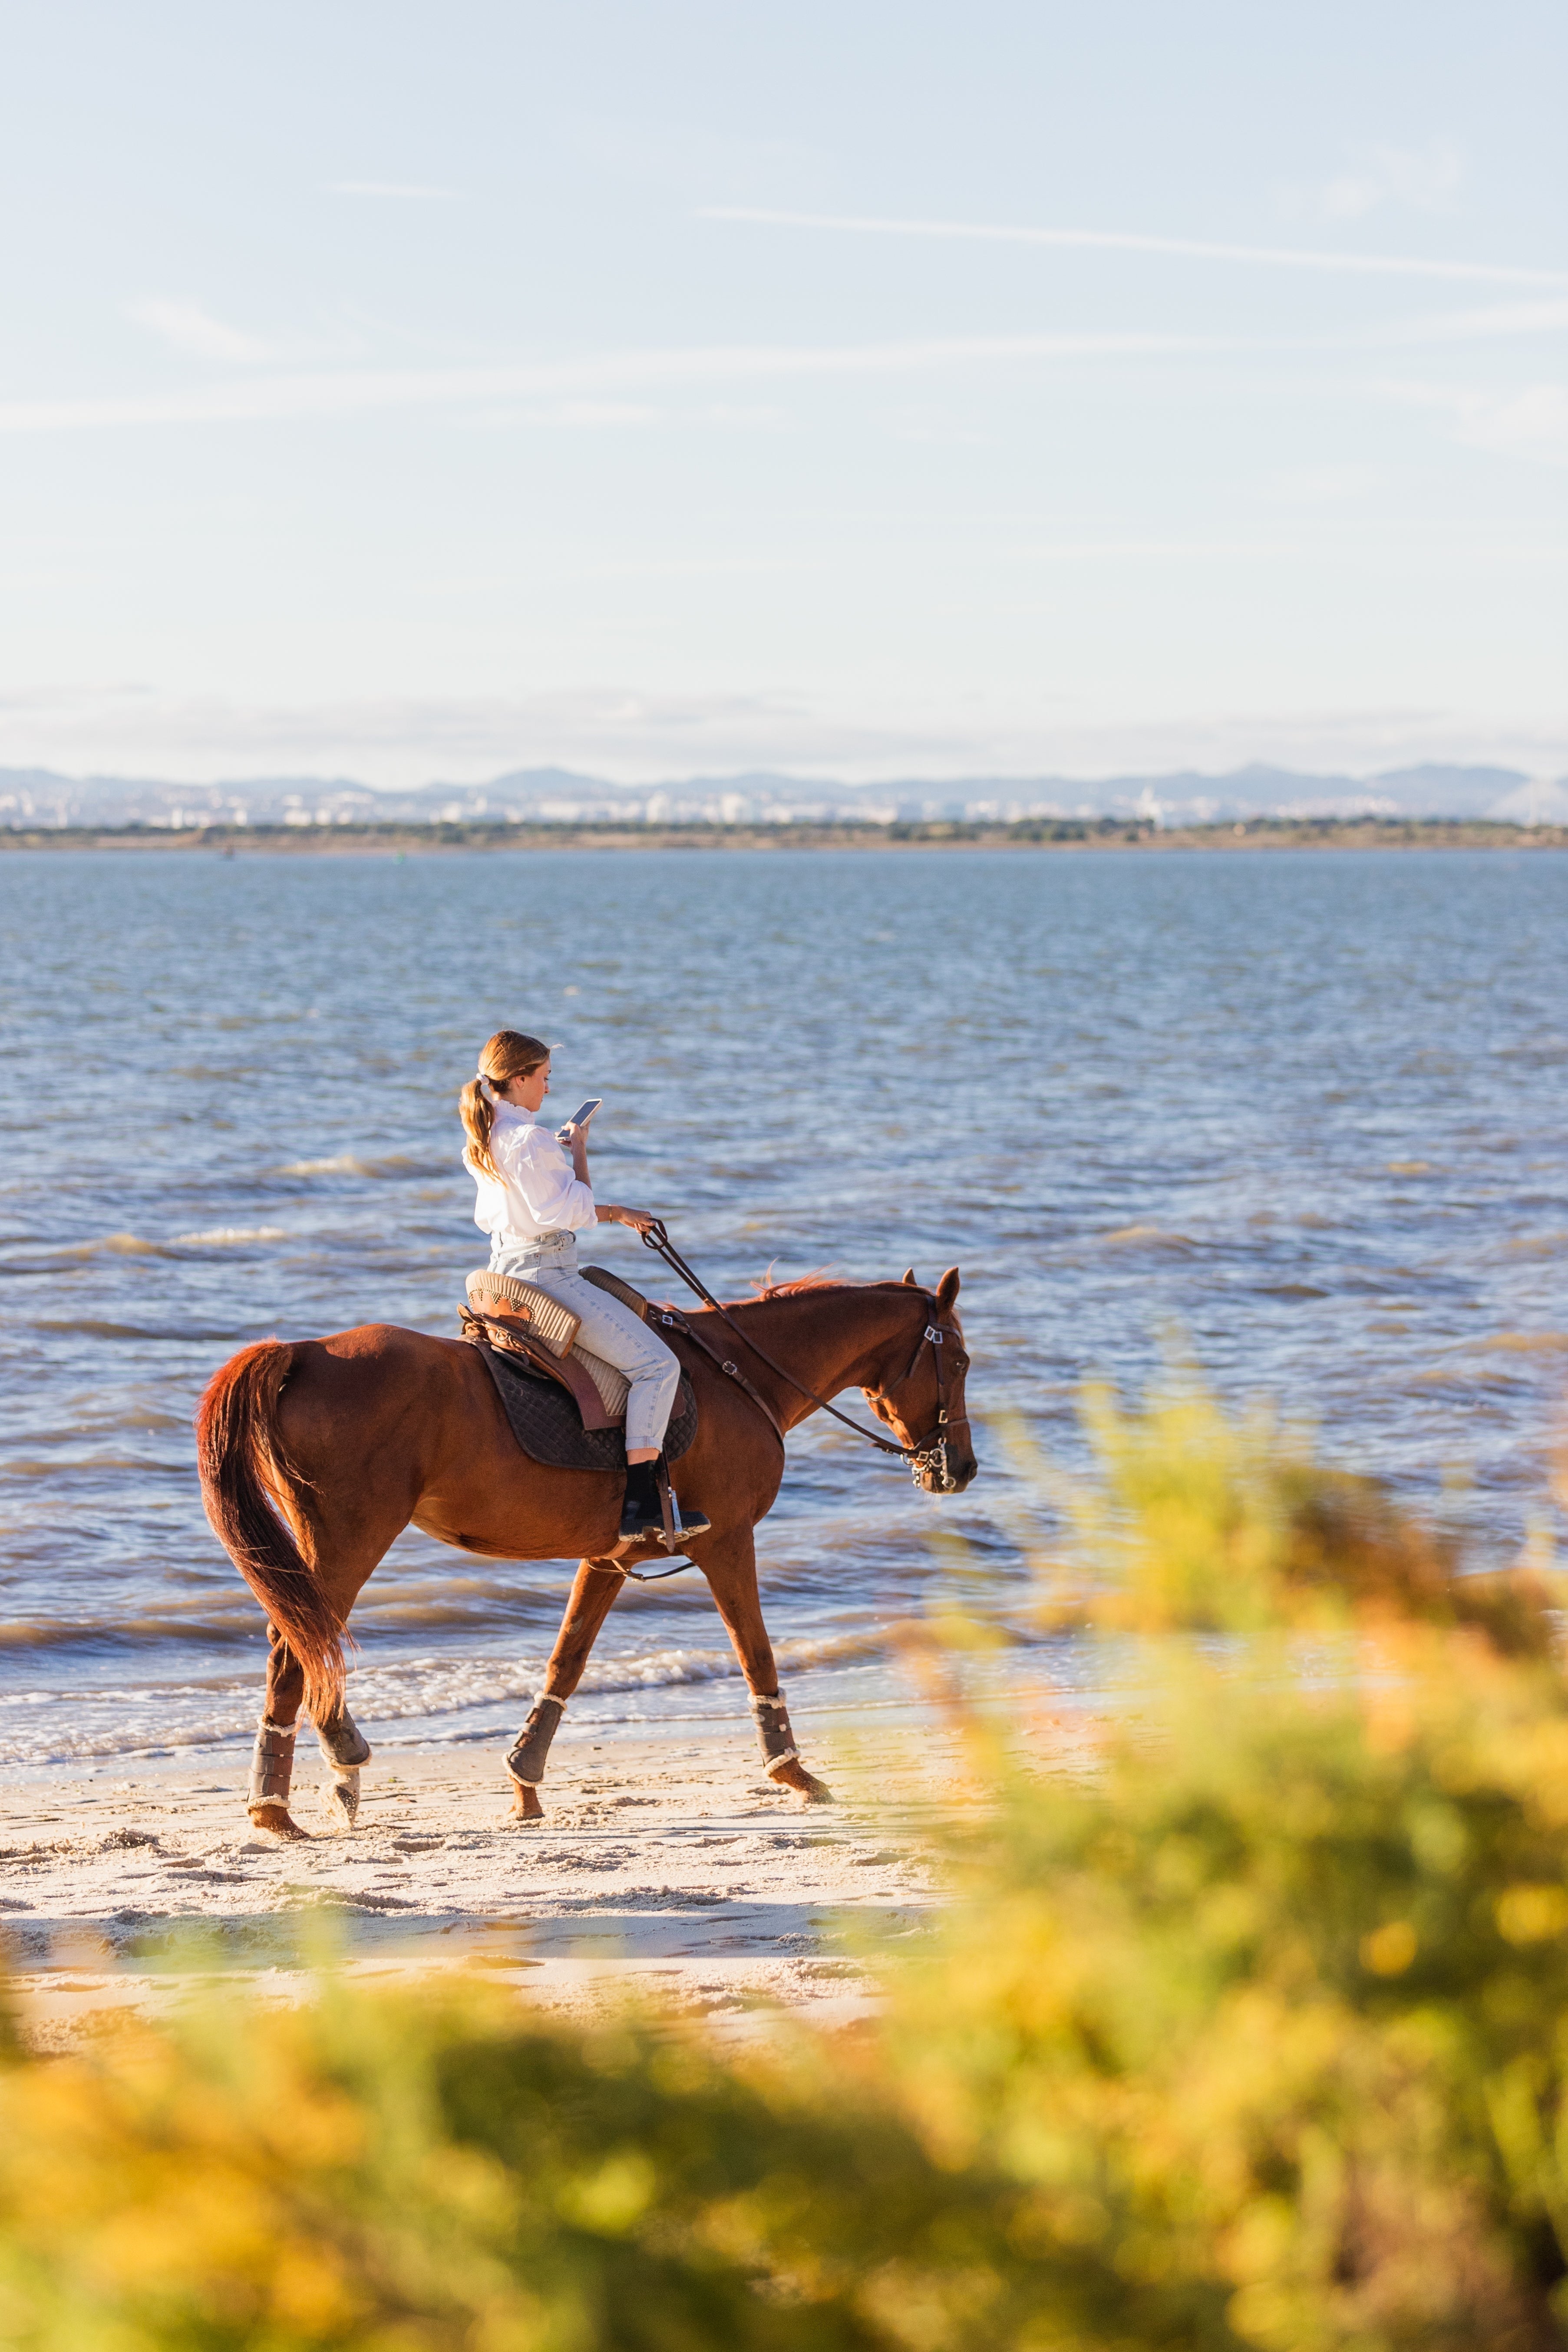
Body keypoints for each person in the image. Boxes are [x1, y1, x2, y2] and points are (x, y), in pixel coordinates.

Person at [459, 1028, 708, 1544]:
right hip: (546, 1275)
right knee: (658, 1366)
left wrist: (573, 1152)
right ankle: (639, 1505)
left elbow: (554, 1203)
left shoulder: (487, 1136)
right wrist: (619, 1211)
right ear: (521, 1078)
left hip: (503, 1267)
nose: (548, 1089)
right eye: (545, 1078)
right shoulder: (529, 1141)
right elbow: (566, 1212)